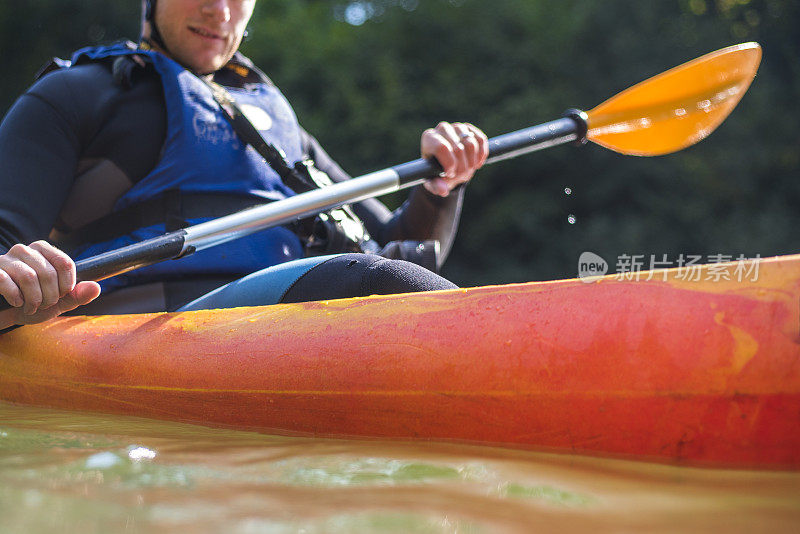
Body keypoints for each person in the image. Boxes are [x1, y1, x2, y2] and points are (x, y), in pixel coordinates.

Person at [0, 0, 488, 330]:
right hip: (138, 328)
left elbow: (397, 246)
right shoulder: (74, 95)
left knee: (385, 278)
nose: (220, 10)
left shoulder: (275, 120)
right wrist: (19, 279)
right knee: (378, 283)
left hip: (283, 322)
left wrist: (440, 184)